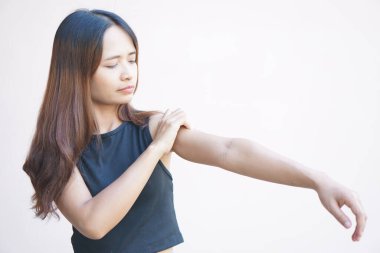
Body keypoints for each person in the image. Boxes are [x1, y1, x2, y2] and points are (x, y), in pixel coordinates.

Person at [22, 8, 367, 253]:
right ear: (77, 72)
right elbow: (94, 223)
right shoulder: (55, 152)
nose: (128, 73)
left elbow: (230, 150)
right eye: (113, 64)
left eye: (132, 59)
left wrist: (318, 179)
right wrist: (156, 151)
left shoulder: (151, 127)